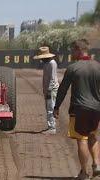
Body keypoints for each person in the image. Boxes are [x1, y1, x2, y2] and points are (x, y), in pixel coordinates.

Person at [53, 39, 100, 179]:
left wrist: (56, 106)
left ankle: (84, 173)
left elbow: (62, 90)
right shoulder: (98, 66)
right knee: (93, 136)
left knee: (82, 139)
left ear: (79, 49)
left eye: (73, 50)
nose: (71, 53)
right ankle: (97, 164)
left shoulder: (73, 68)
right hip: (97, 109)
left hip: (79, 109)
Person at [34, 46, 59, 134]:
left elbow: (52, 79)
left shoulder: (52, 63)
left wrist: (48, 90)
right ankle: (50, 126)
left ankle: (52, 128)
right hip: (48, 89)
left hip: (51, 89)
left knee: (50, 108)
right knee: (48, 107)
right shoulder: (47, 64)